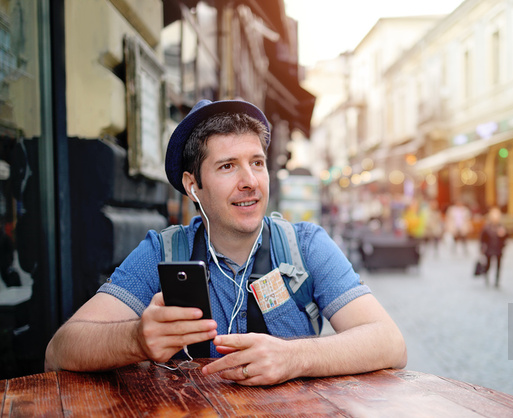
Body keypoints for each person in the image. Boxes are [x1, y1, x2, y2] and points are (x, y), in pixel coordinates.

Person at [45, 99, 406, 385]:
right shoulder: (162, 252)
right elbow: (59, 352)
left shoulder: (306, 245)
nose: (250, 181)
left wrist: (294, 357)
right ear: (192, 185)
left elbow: (389, 342)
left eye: (257, 162)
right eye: (227, 166)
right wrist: (136, 340)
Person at [479, 207, 508, 287]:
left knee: (498, 265)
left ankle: (497, 281)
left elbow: (506, 237)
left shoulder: (501, 226)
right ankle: (486, 277)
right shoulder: (487, 227)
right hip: (489, 249)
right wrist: (482, 248)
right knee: (488, 264)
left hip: (498, 249)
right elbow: (482, 239)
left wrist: (503, 235)